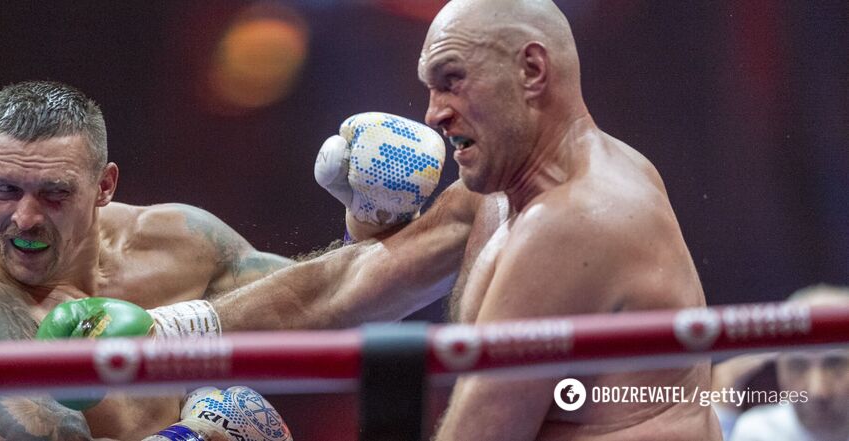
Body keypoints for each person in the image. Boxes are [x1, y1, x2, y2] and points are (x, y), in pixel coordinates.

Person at [49, 0, 722, 439]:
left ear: (531, 71)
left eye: (452, 80)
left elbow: (483, 430)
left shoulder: (575, 220)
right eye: (429, 87)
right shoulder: (500, 194)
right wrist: (161, 334)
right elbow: (345, 286)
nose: (433, 113)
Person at [0, 81, 445, 440]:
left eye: (54, 193)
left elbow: (325, 306)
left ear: (104, 186)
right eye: (4, 189)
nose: (25, 218)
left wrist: (371, 220)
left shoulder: (178, 242)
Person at [724, 285, 849, 441]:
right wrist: (723, 413)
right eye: (798, 366)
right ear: (779, 366)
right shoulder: (758, 433)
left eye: (835, 365)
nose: (817, 391)